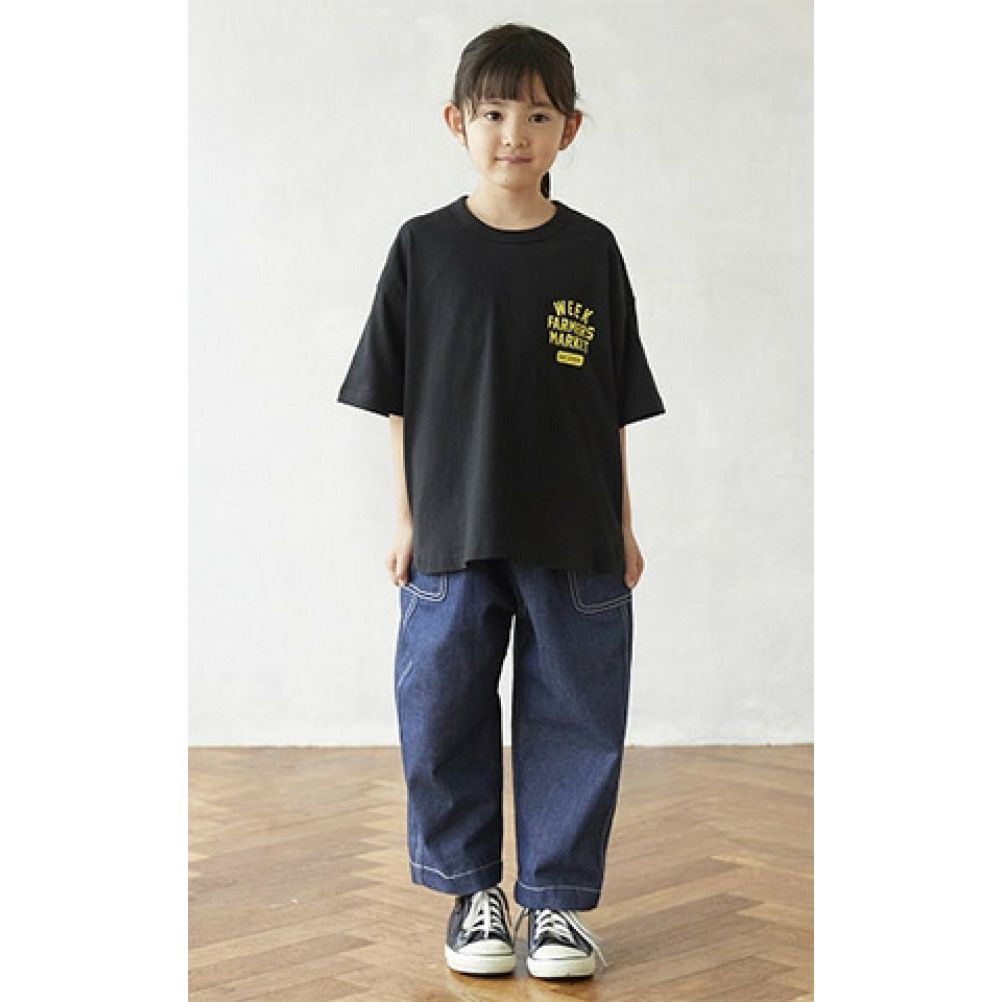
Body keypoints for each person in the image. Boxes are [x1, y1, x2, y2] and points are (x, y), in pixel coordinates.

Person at [336, 22, 666, 980]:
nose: (514, 133)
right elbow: (394, 398)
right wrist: (406, 519)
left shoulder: (592, 251)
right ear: (457, 121)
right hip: (453, 529)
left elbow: (612, 401)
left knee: (578, 713)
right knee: (443, 710)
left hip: (575, 532)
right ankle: (471, 892)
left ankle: (554, 905)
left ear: (570, 129)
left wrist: (623, 523)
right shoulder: (424, 248)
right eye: (493, 113)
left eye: (538, 115)